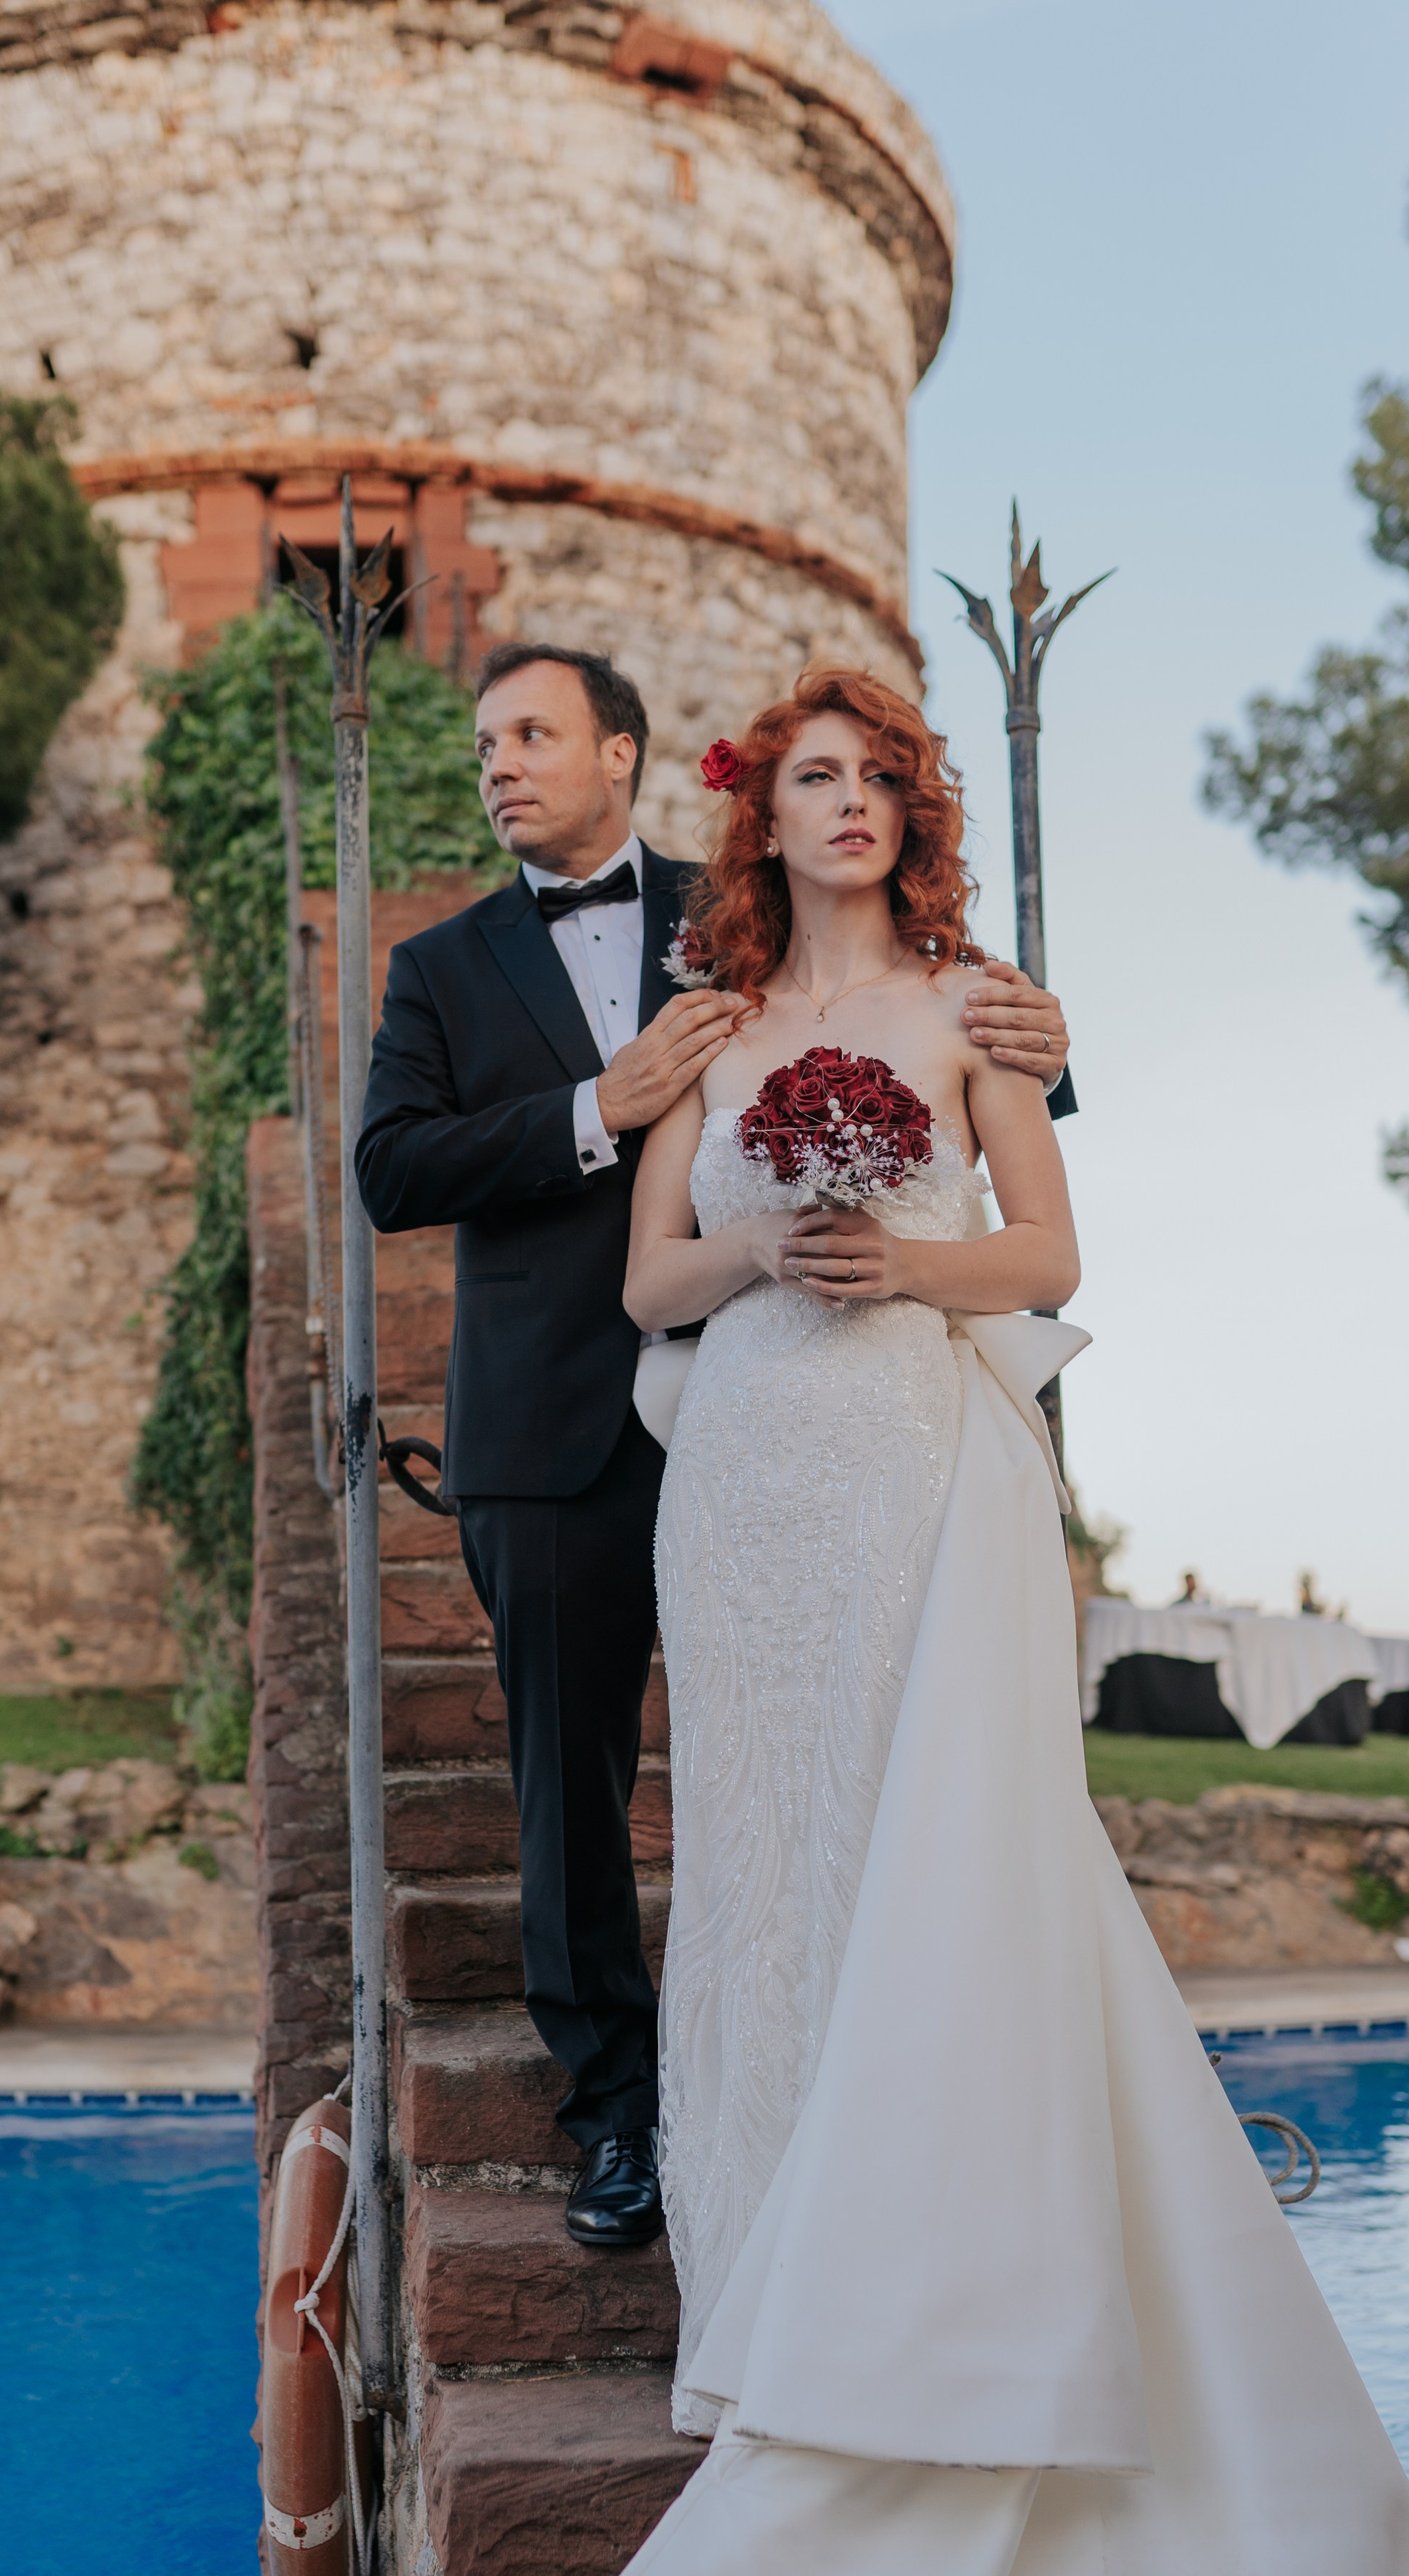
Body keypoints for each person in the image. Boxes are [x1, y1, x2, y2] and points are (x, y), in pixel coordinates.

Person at [353, 668, 1409, 2576]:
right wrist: (757, 1240)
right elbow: (649, 1282)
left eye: (866, 779)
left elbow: (1049, 1258)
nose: (834, 806)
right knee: (775, 1885)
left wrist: (893, 1255)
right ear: (757, 818)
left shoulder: (982, 1010)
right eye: (800, 777)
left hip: (919, 1457)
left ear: (906, 815)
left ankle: (948, 2276)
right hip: (748, 1494)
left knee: (949, 1864)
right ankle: (786, 2277)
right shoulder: (706, 1030)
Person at [354, 643, 1071, 2249]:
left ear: (623, 752)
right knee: (572, 1776)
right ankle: (619, 2119)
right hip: (556, 1418)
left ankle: (909, 2096)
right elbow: (389, 1168)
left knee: (846, 1757)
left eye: (529, 735)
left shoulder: (742, 909)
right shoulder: (442, 969)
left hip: (823, 1408)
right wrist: (593, 1107)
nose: (497, 767)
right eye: (482, 747)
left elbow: (950, 1067)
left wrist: (1044, 1026)